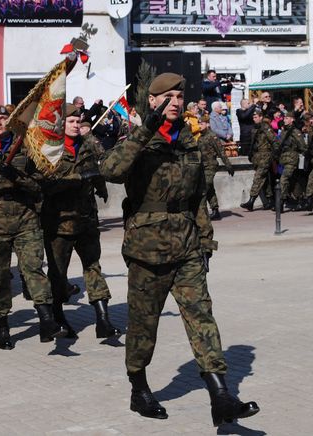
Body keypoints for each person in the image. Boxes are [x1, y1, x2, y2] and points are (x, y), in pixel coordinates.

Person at [99, 72, 258, 425]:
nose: (175, 101)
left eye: (179, 96)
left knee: (202, 316)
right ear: (153, 101)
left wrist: (205, 241)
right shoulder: (138, 142)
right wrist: (145, 130)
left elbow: (198, 198)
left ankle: (221, 396)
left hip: (186, 245)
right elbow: (110, 170)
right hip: (147, 249)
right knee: (143, 324)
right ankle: (139, 389)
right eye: (167, 96)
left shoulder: (190, 142)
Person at [0, 105, 68, 349]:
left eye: (3, 118)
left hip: (25, 219)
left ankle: (46, 320)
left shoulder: (27, 148)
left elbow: (42, 182)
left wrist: (16, 177)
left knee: (33, 269)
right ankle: (1, 325)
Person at [41, 103, 119, 340]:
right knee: (57, 274)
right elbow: (46, 184)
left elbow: (98, 168)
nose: (76, 125)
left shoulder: (87, 145)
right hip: (59, 223)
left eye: (78, 121)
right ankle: (58, 317)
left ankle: (103, 320)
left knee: (93, 267)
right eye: (71, 122)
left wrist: (101, 185)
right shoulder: (48, 151)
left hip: (86, 219)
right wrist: (78, 178)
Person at [240, 109, 279, 211]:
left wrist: (274, 155)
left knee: (258, 178)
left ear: (261, 117)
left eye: (256, 117)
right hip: (257, 157)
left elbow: (274, 142)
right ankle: (269, 201)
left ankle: (251, 201)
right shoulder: (255, 129)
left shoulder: (266, 128)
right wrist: (251, 154)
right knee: (264, 181)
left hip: (265, 156)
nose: (254, 119)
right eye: (253, 117)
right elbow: (253, 144)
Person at [198, 114, 234, 220]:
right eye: (199, 123)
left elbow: (221, 151)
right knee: (209, 190)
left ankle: (201, 212)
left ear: (207, 124)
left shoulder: (212, 136)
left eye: (202, 123)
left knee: (205, 187)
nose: (200, 125)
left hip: (210, 166)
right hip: (202, 167)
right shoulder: (200, 137)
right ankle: (215, 210)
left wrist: (228, 165)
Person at [277, 112, 308, 212]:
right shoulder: (283, 131)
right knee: (293, 181)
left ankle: (280, 202)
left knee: (284, 179)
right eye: (284, 118)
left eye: (287, 118)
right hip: (283, 159)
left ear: (292, 119)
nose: (284, 120)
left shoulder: (295, 132)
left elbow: (302, 146)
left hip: (292, 159)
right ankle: (299, 199)